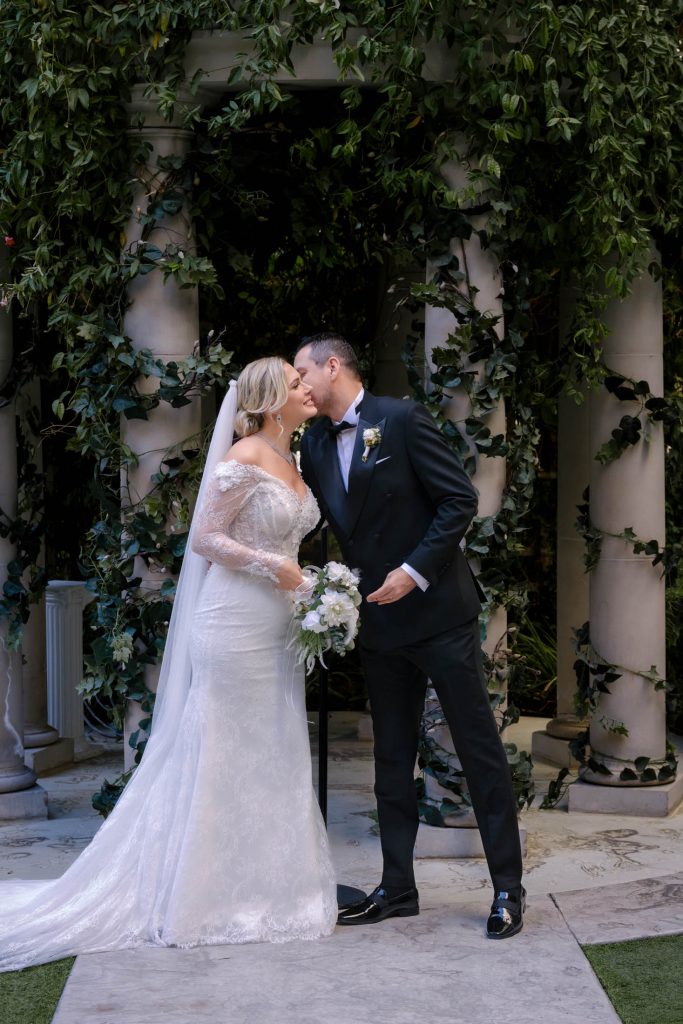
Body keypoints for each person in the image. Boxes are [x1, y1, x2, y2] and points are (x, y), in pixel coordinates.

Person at [0, 357, 336, 973]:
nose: (306, 389)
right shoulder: (242, 456)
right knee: (223, 752)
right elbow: (205, 538)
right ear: (267, 400)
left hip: (276, 627)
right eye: (295, 383)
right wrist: (276, 567)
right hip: (233, 623)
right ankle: (203, 903)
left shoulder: (293, 459)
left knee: (272, 749)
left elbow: (280, 540)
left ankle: (271, 893)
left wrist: (309, 585)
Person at [295, 332, 526, 939]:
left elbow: (458, 500)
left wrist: (413, 572)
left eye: (303, 374)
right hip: (378, 624)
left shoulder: (400, 419)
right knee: (391, 759)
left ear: (333, 366)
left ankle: (507, 888)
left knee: (477, 751)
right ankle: (397, 887)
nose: (300, 387)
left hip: (439, 616)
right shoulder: (314, 443)